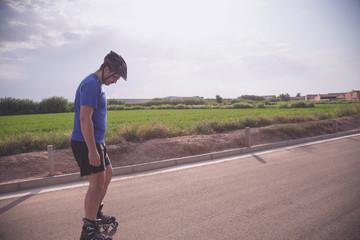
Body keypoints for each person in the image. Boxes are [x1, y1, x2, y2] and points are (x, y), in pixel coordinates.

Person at [71, 51, 127, 240]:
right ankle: (89, 231)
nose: (116, 81)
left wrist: (98, 144)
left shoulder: (98, 85)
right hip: (86, 142)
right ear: (106, 69)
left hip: (96, 141)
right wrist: (92, 150)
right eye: (115, 77)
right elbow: (85, 118)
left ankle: (94, 215)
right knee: (96, 184)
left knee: (108, 174)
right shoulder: (90, 85)